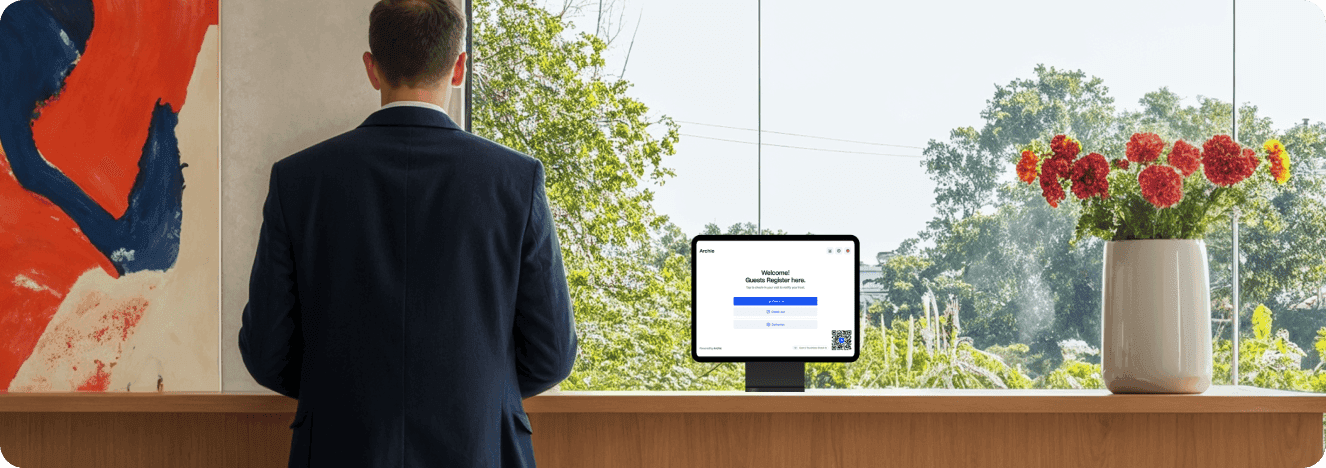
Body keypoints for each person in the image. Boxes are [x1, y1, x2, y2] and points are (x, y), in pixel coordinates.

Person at [237, 0, 578, 466]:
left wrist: (341, 390)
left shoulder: (298, 180)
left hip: (339, 449)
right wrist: (474, 389)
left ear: (372, 68)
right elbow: (551, 354)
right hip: (480, 450)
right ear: (459, 68)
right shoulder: (516, 180)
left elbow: (266, 352)